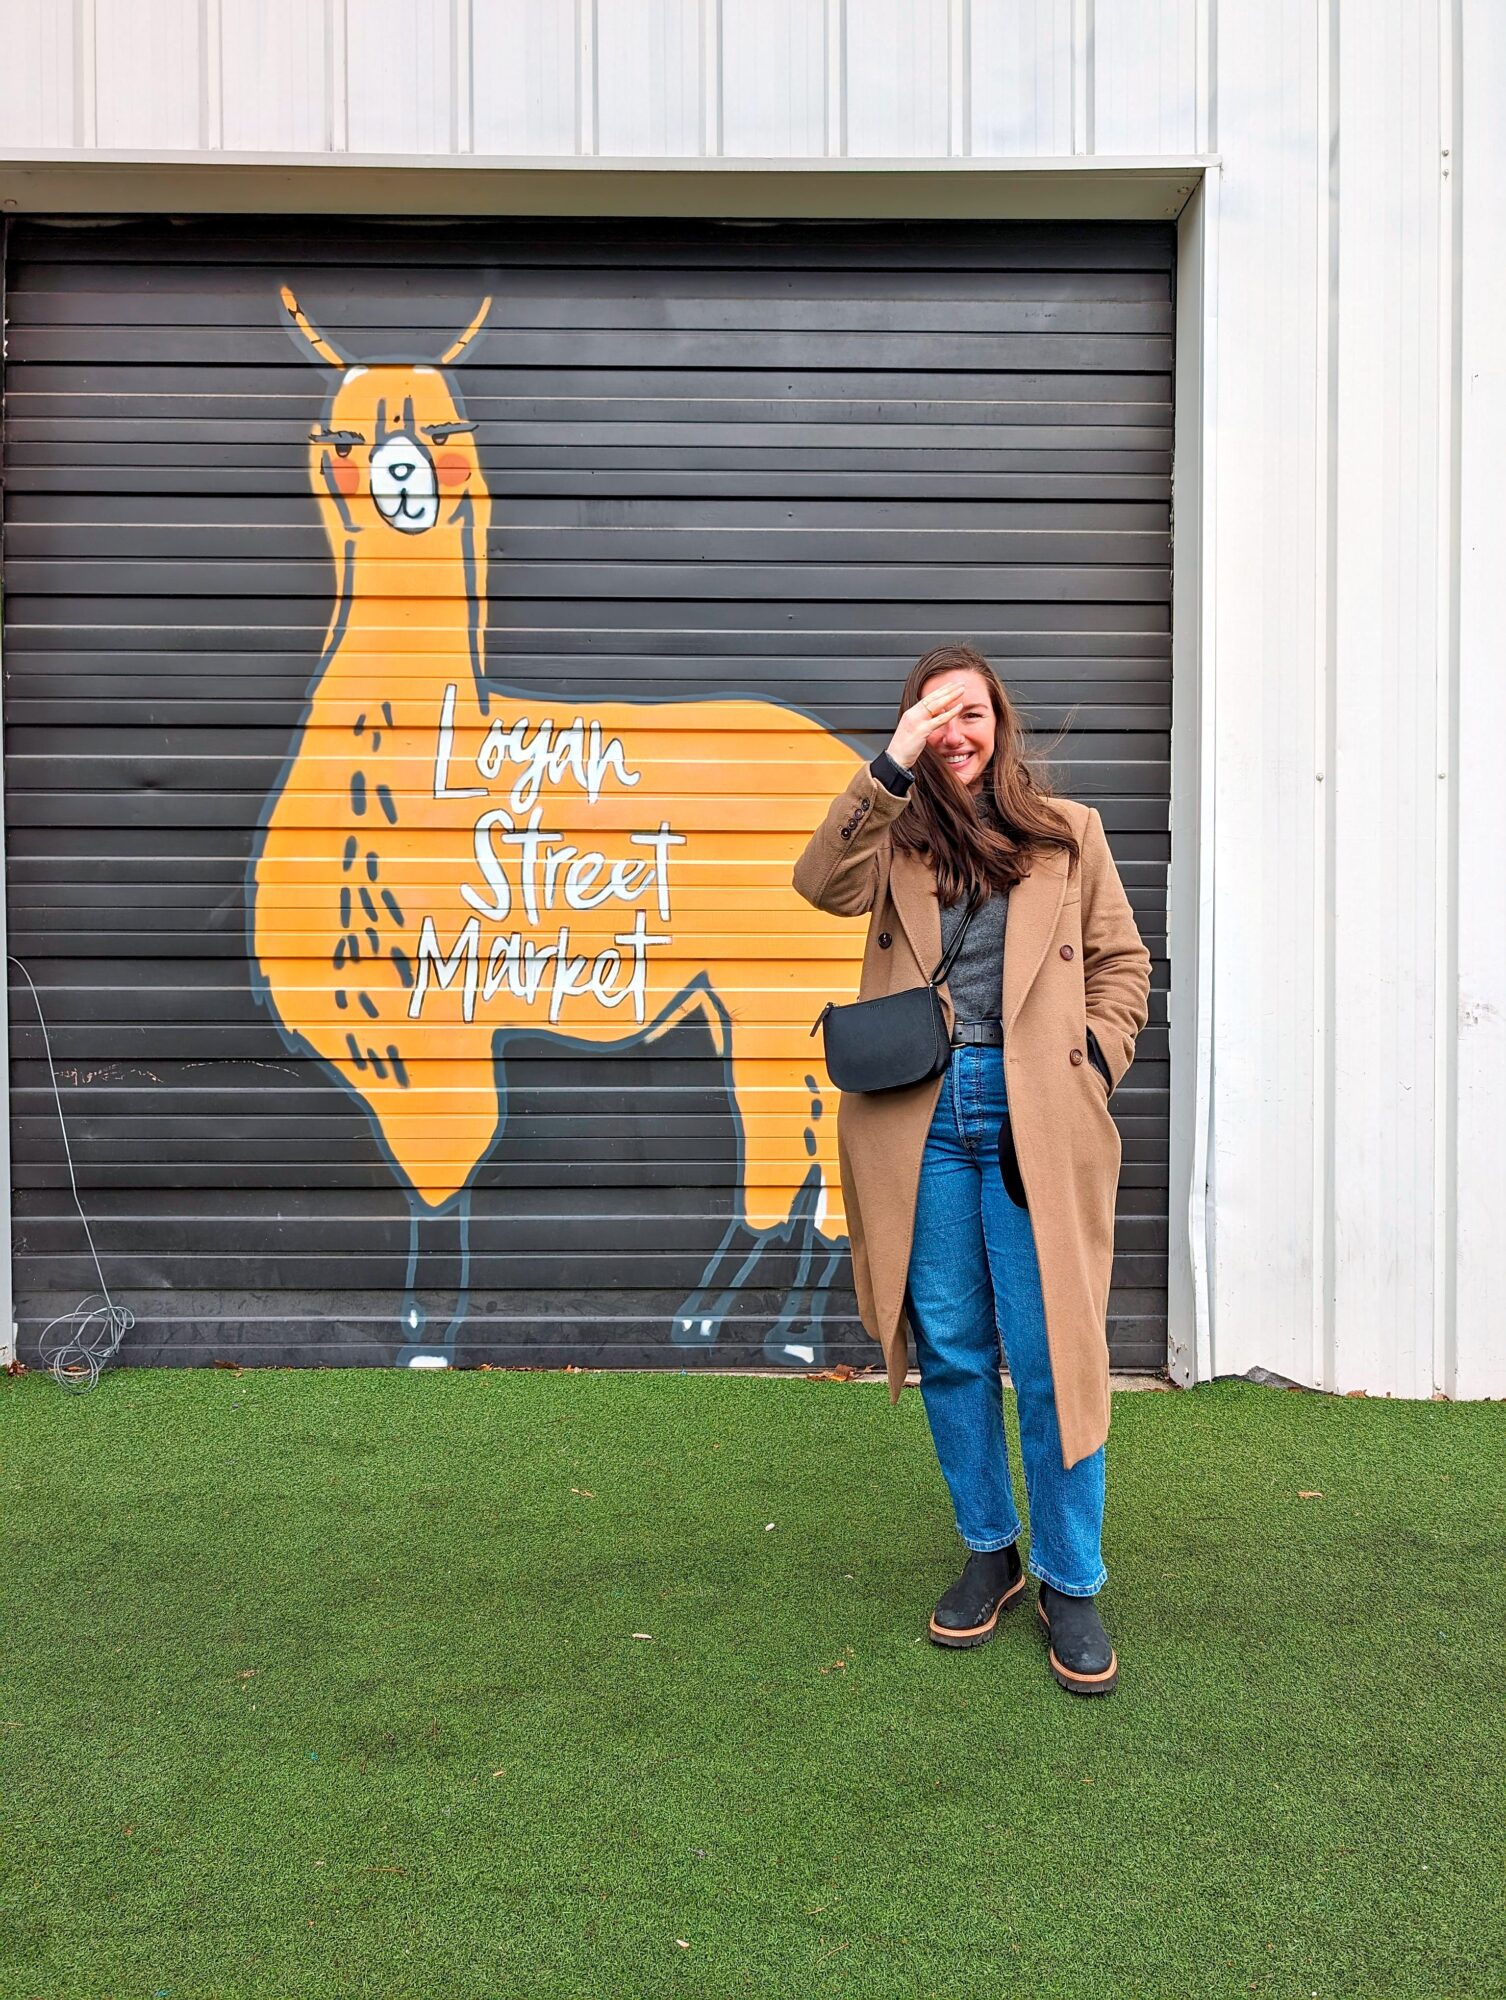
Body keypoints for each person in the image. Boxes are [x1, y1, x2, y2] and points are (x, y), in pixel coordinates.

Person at [792, 645, 1151, 1695]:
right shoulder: (891, 838)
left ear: (1002, 722)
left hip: (1041, 1107)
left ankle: (1070, 1577)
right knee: (950, 1343)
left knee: (1050, 1353)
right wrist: (889, 763)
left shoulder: (1068, 833)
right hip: (924, 1113)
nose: (956, 731)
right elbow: (818, 883)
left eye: (972, 712)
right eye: (934, 714)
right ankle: (990, 1546)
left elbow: (1123, 963)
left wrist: (1094, 1058)